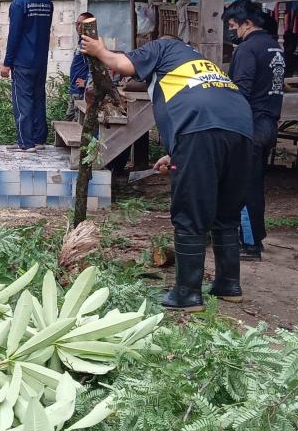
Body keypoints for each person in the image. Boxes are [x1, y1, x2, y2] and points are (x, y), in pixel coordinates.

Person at [80, 34, 253, 311]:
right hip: (241, 127)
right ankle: (229, 284)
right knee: (226, 212)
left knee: (190, 211)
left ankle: (187, 294)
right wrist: (176, 156)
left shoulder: (164, 46)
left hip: (199, 128)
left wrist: (99, 50)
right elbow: (208, 114)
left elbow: (122, 64)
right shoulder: (201, 65)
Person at [226, 0, 285, 261]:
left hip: (250, 125)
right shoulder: (275, 47)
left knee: (244, 185)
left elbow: (241, 90)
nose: (232, 31)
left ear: (247, 23)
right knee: (254, 183)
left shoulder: (247, 49)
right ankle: (253, 238)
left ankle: (250, 245)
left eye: (233, 26)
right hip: (268, 122)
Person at [0, 0, 53, 151]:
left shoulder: (19, 3)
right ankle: (39, 140)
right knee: (38, 98)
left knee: (23, 101)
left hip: (23, 61)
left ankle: (25, 142)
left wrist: (7, 63)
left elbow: (14, 35)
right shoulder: (47, 3)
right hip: (40, 61)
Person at [67, 12, 96, 121]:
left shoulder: (90, 44)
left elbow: (96, 67)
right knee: (70, 121)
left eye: (82, 24)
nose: (78, 27)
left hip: (81, 91)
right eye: (77, 24)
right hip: (74, 89)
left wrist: (87, 82)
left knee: (74, 121)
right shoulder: (81, 42)